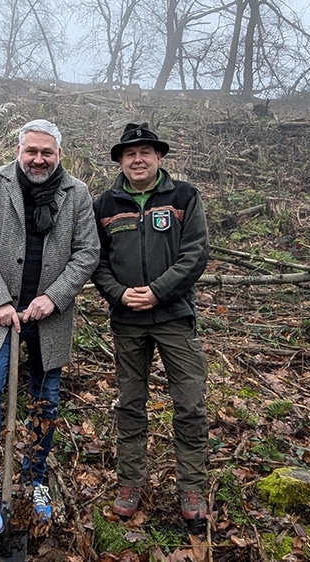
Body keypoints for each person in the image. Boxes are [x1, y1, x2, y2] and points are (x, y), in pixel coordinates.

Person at [0, 119, 99, 538]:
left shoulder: (76, 193)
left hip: (50, 316)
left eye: (47, 152)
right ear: (19, 150)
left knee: (47, 399)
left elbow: (87, 252)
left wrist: (54, 297)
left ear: (59, 153)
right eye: (31, 151)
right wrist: (0, 300)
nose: (38, 159)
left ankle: (36, 478)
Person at [91, 122, 211, 523]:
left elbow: (195, 253)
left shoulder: (184, 196)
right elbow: (96, 260)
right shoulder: (104, 204)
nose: (137, 159)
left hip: (174, 316)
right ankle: (130, 482)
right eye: (130, 154)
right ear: (121, 161)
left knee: (190, 404)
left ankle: (192, 489)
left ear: (159, 157)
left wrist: (158, 290)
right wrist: (119, 294)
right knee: (130, 404)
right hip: (127, 320)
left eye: (145, 152)